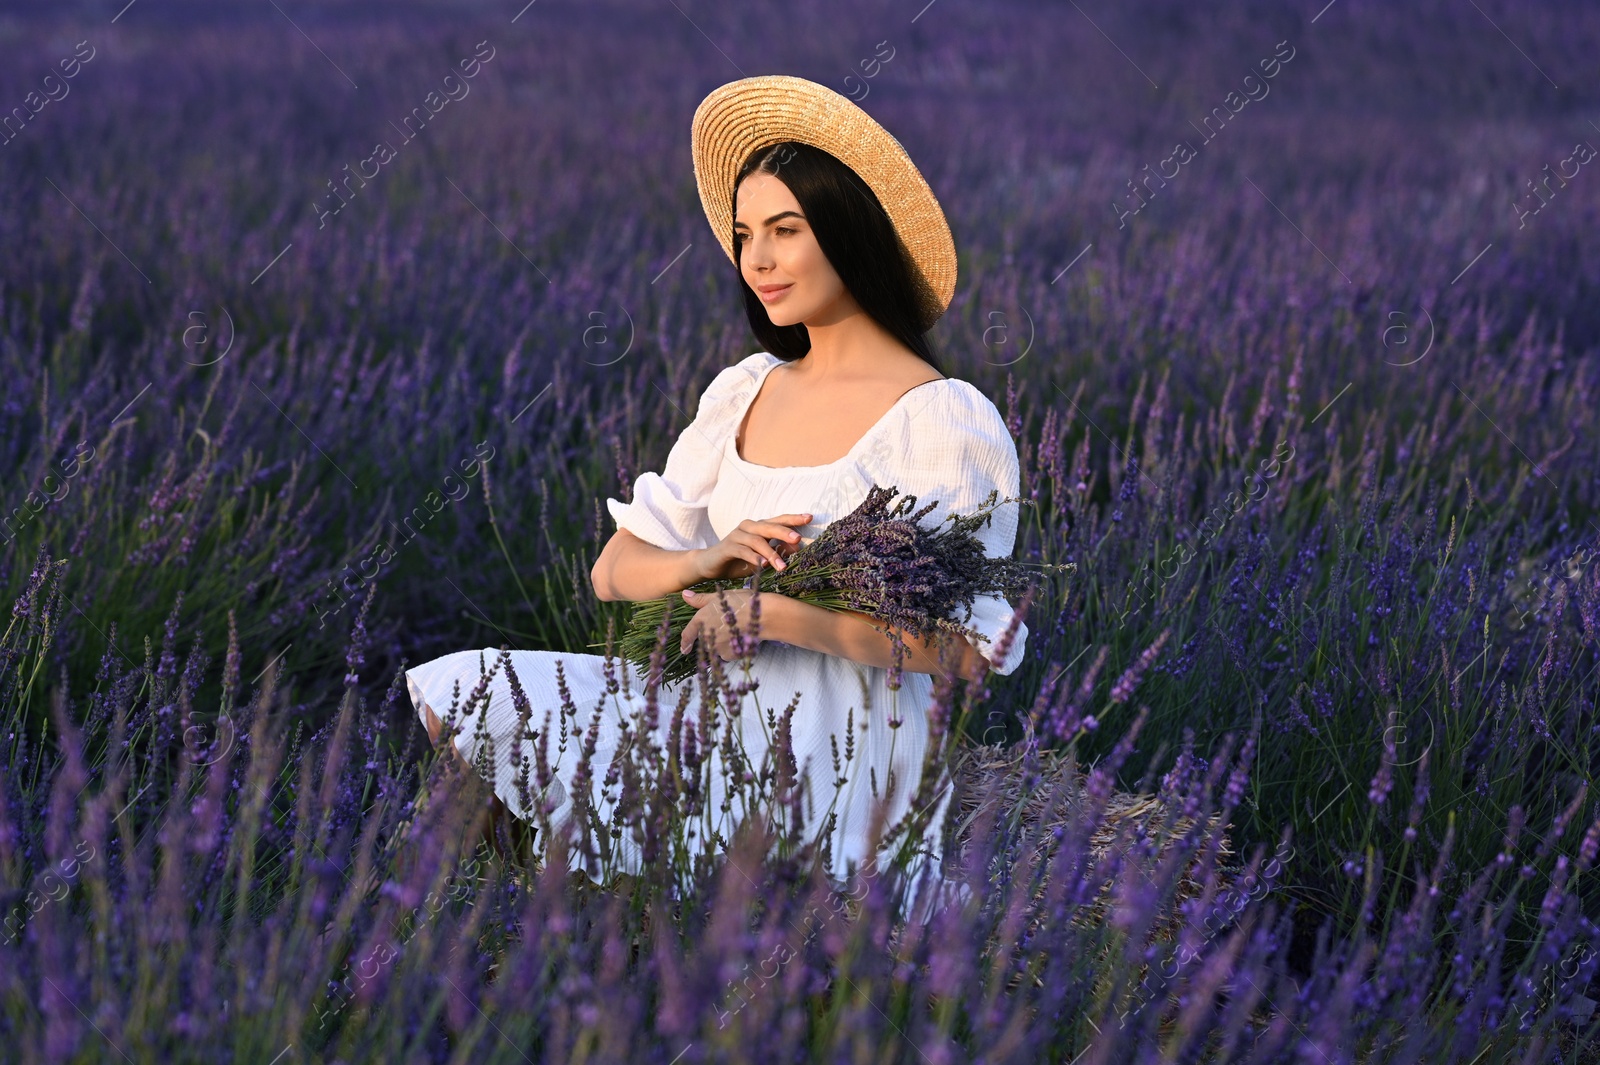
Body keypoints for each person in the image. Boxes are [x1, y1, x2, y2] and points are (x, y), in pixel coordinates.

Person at [407, 75, 1028, 907]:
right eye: (744, 234)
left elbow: (961, 651)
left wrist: (775, 614)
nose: (758, 259)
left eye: (785, 229)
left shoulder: (945, 420)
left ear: (851, 232)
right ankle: (552, 925)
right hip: (707, 710)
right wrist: (707, 560)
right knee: (466, 694)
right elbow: (614, 567)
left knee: (757, 902)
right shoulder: (746, 388)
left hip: (840, 746)